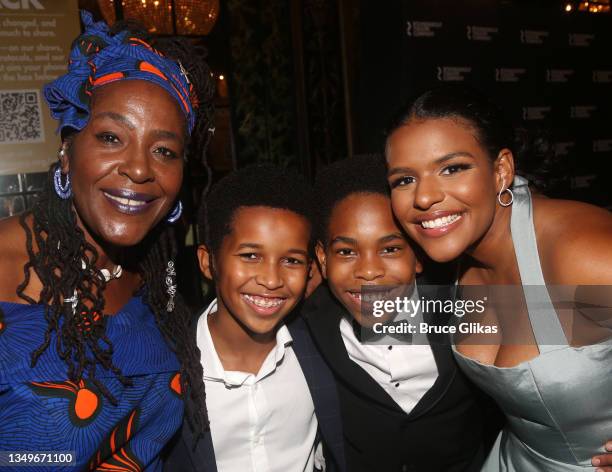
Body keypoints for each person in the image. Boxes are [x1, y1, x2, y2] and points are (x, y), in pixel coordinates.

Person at [0, 12, 214, 470]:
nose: (139, 169)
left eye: (164, 151)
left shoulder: (161, 280)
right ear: (67, 148)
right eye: (111, 137)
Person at [385, 85, 612, 471]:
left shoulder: (579, 252)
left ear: (501, 170)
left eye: (452, 168)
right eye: (404, 179)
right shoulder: (450, 262)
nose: (423, 198)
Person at [302, 155, 498, 471]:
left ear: (418, 257)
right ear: (324, 260)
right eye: (347, 252)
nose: (368, 271)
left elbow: (585, 325)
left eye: (390, 249)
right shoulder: (304, 327)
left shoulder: (466, 307)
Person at [163, 165, 346, 472]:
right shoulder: (165, 362)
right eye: (250, 256)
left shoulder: (322, 344)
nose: (272, 279)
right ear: (208, 263)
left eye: (291, 260)